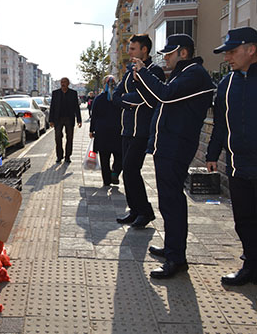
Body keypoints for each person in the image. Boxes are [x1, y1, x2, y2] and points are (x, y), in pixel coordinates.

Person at [132, 34, 215, 279]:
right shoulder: (182, 74)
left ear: (184, 53)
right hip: (167, 146)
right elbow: (154, 100)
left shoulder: (194, 74)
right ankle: (172, 248)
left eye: (170, 53)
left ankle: (176, 258)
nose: (165, 58)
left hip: (176, 146)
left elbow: (165, 96)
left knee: (172, 203)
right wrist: (140, 79)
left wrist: (145, 73)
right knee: (168, 203)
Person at [206, 26, 257, 286]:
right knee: (244, 220)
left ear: (251, 49)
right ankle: (250, 266)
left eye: (233, 52)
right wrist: (212, 154)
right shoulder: (227, 83)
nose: (228, 58)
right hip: (238, 166)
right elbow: (220, 125)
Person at [113, 34, 166, 229]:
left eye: (133, 48)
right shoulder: (129, 73)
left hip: (142, 130)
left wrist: (127, 100)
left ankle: (146, 211)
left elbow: (148, 99)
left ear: (144, 50)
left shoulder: (154, 71)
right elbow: (116, 96)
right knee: (127, 173)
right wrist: (130, 101)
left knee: (131, 170)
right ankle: (135, 209)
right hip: (127, 129)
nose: (129, 52)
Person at [89, 75, 123, 186]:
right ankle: (115, 172)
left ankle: (107, 180)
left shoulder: (98, 99)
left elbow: (94, 116)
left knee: (104, 158)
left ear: (104, 85)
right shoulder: (120, 98)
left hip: (102, 132)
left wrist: (91, 130)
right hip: (118, 131)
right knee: (120, 155)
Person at [49, 77, 82, 163]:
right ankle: (59, 156)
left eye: (65, 82)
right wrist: (51, 120)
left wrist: (79, 120)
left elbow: (76, 107)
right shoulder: (55, 93)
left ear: (68, 84)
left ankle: (68, 156)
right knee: (58, 137)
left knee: (70, 137)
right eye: (62, 82)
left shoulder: (73, 93)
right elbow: (52, 107)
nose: (63, 84)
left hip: (69, 119)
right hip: (58, 119)